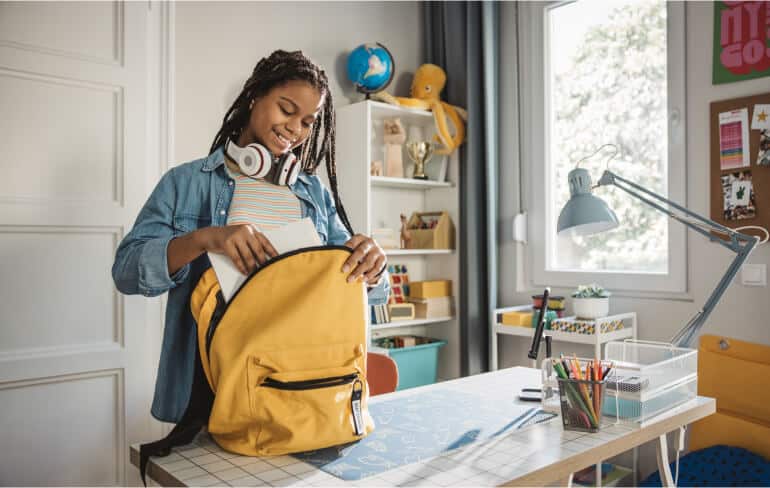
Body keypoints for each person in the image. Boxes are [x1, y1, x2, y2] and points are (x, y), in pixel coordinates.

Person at [112, 50, 389, 423]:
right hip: (211, 391)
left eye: (308, 121)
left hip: (299, 384)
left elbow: (364, 285)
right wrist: (206, 239)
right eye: (286, 109)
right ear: (255, 96)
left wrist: (373, 265)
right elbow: (127, 271)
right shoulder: (185, 183)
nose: (296, 129)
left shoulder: (314, 193)